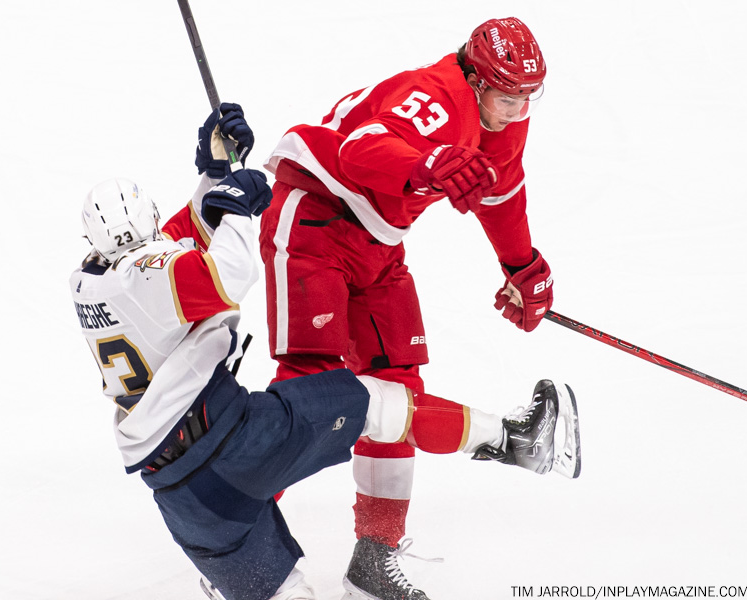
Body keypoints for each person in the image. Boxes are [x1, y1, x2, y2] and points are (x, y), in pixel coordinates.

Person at [70, 104, 579, 600]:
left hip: (183, 498)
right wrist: (237, 212)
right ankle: (513, 439)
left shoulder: (88, 282)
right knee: (379, 402)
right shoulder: (153, 276)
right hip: (239, 440)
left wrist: (215, 173)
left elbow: (174, 245)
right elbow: (226, 273)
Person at [258, 17, 566, 600]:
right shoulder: (436, 96)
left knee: (397, 385)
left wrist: (522, 267)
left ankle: (375, 555)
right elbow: (359, 150)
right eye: (507, 97)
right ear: (476, 80)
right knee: (310, 388)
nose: (518, 111)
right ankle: (233, 538)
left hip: (379, 242)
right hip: (316, 221)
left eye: (529, 98)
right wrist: (425, 166)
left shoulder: (503, 115)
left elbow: (501, 193)